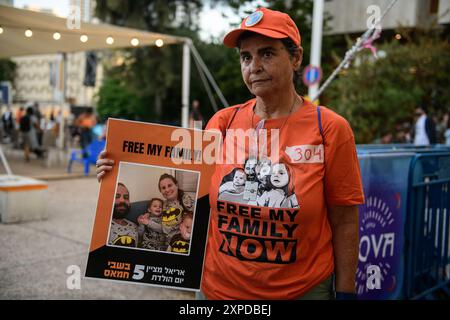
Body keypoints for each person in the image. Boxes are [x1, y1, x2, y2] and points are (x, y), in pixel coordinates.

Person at [96, 7, 364, 300]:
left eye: (268, 53)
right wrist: (115, 167)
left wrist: (346, 291)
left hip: (301, 291)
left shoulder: (330, 129)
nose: (254, 66)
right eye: (246, 57)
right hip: (218, 292)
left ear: (296, 58)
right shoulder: (222, 123)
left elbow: (345, 219)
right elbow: (194, 197)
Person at [158, 173, 195, 245]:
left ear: (176, 185)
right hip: (166, 244)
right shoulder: (163, 204)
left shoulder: (186, 200)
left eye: (169, 185)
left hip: (181, 243)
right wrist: (148, 214)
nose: (167, 190)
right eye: (163, 188)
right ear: (161, 191)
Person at [108, 183, 138, 248]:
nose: (122, 200)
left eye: (126, 197)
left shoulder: (134, 226)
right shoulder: (103, 225)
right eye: (116, 196)